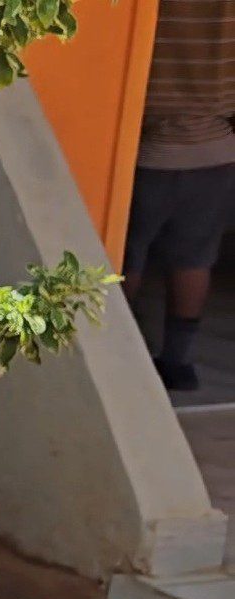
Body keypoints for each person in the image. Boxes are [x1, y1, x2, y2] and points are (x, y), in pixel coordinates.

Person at [122, 0, 235, 391]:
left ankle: (118, 353)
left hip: (146, 149)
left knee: (125, 254)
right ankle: (179, 362)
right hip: (217, 150)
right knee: (195, 258)